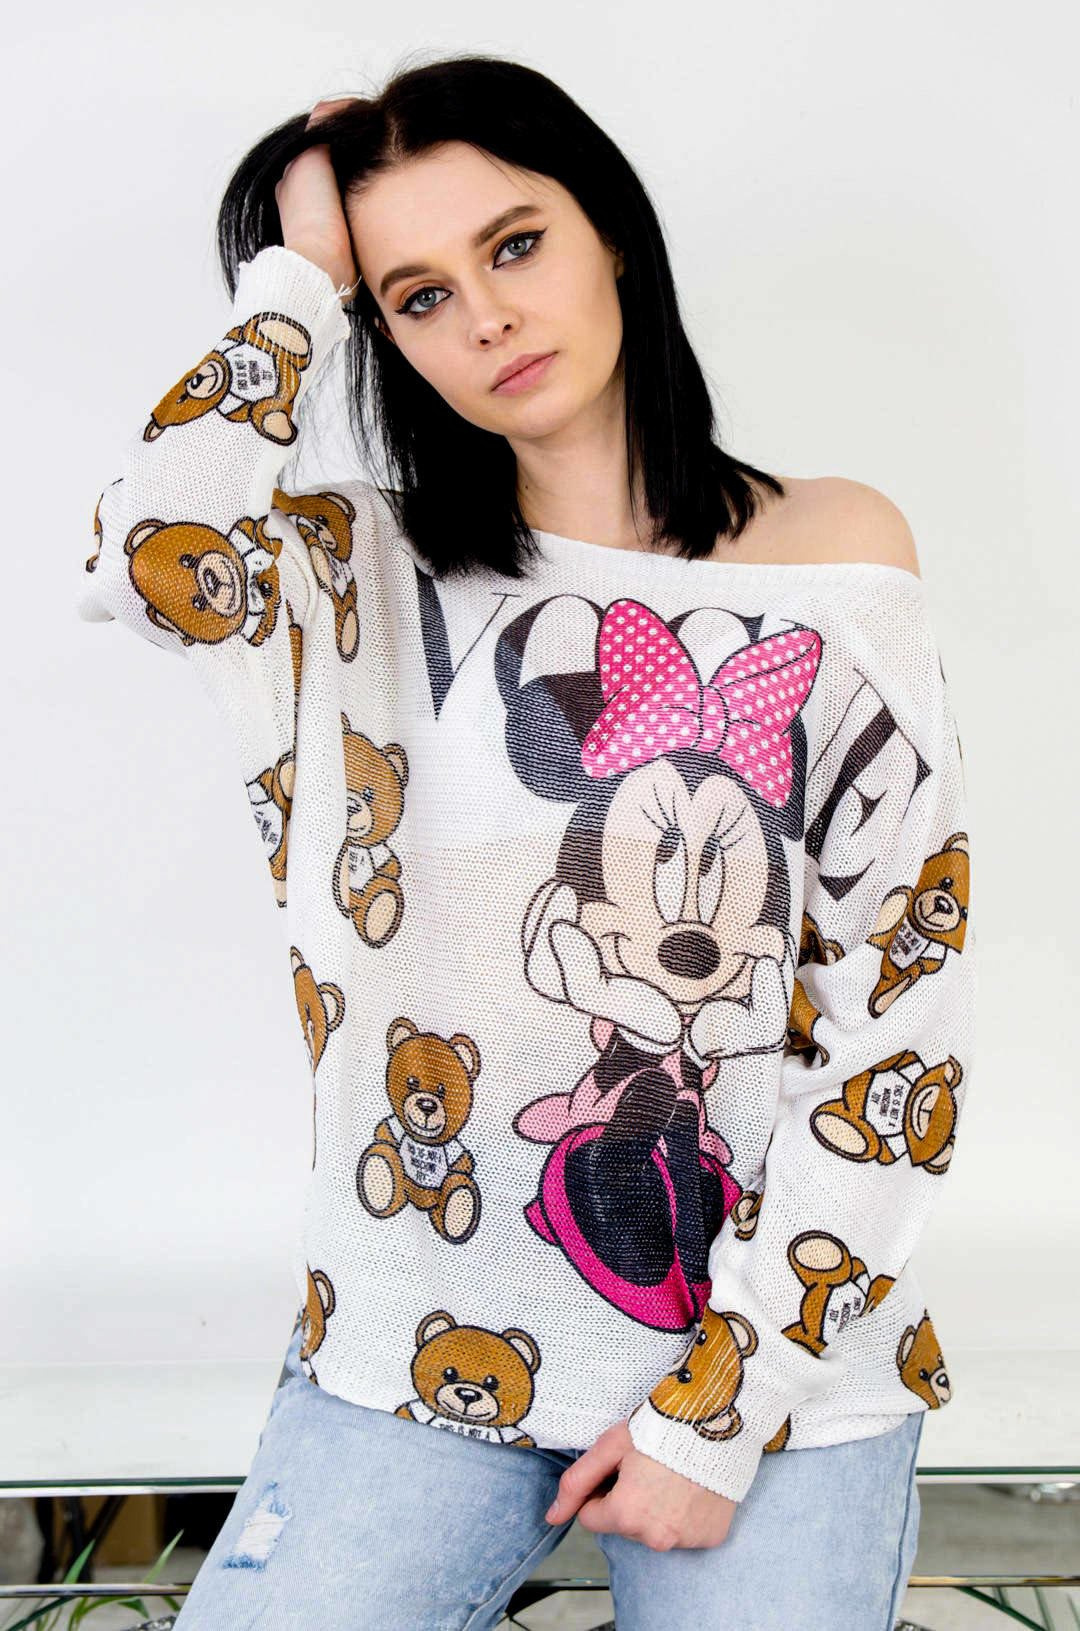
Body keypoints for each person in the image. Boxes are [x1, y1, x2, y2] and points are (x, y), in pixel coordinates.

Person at [79, 53, 974, 1630]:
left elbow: (898, 1024)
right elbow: (149, 555)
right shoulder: (353, 570)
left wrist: (721, 1413)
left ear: (608, 230)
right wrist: (297, 279)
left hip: (778, 1344)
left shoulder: (837, 555)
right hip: (423, 1335)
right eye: (417, 296)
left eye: (513, 245)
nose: (486, 318)